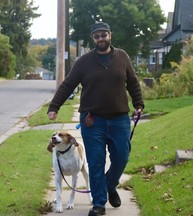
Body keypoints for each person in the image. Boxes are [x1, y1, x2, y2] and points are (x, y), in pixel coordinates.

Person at [47, 21, 144, 216]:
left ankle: (110, 186)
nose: (101, 38)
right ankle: (99, 204)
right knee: (96, 161)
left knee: (121, 157)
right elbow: (67, 85)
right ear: (93, 39)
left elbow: (132, 82)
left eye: (104, 34)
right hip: (93, 121)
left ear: (110, 35)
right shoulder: (84, 62)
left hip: (119, 120)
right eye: (97, 36)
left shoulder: (122, 57)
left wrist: (139, 104)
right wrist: (54, 106)